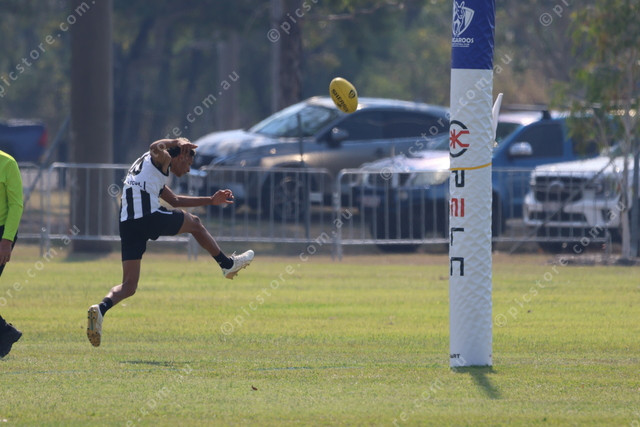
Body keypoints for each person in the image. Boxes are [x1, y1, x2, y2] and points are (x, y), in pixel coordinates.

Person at [87, 138, 254, 347]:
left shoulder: (150, 170)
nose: (188, 169)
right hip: (146, 216)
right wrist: (176, 141)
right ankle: (227, 265)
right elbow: (154, 147)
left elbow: (175, 200)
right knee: (195, 223)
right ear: (181, 156)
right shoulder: (163, 158)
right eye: (188, 164)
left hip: (128, 223)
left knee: (129, 285)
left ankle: (100, 309)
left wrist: (211, 200)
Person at [0, 150, 24, 358]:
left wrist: (6, 240)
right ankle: (5, 334)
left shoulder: (7, 163)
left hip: (2, 234)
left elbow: (16, 204)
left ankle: (6, 333)